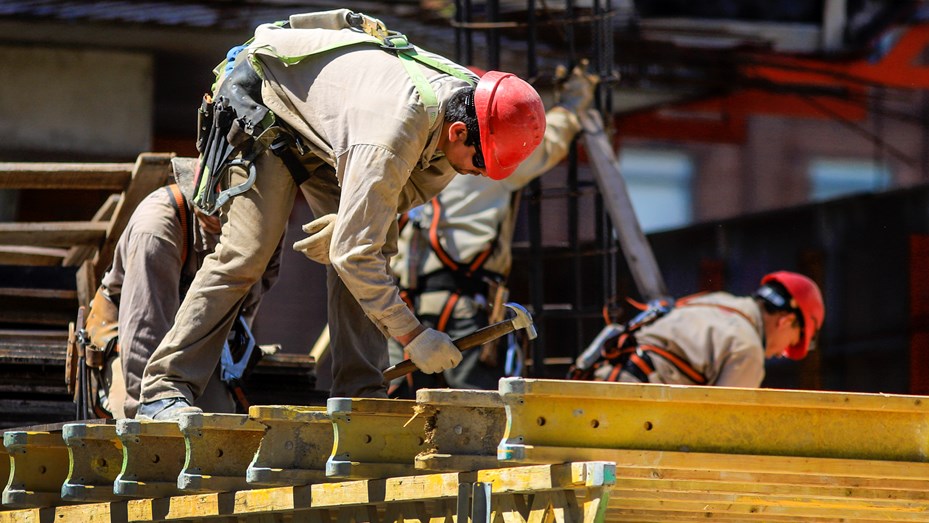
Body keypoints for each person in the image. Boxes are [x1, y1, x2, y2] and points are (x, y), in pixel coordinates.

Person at [137, 9, 546, 420]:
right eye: (478, 163)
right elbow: (355, 255)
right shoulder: (394, 132)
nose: (477, 173)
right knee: (247, 254)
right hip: (266, 105)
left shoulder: (468, 109)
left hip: (333, 132)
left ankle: (361, 398)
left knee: (374, 240)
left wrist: (353, 219)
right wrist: (412, 334)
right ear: (458, 133)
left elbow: (410, 190)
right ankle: (163, 390)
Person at [386, 63, 598, 396]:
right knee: (476, 403)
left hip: (403, 307)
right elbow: (550, 141)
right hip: (465, 301)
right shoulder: (491, 158)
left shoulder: (419, 146)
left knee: (399, 401)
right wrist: (573, 104)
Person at [80, 157, 280, 419]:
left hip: (196, 341)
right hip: (130, 345)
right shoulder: (157, 229)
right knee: (142, 429)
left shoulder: (266, 223)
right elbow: (143, 335)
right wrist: (147, 418)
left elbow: (252, 296)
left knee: (220, 428)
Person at [571, 271, 825, 387]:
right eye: (793, 342)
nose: (782, 353)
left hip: (596, 383)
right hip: (629, 405)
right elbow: (720, 429)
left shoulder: (715, 300)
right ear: (786, 321)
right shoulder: (747, 349)